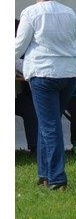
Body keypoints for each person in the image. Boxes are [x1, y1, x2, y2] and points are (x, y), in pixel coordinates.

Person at [15, 0, 76, 191]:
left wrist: (19, 65)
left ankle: (58, 178)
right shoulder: (69, 13)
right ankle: (44, 173)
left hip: (43, 75)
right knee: (47, 124)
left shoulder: (30, 13)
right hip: (68, 75)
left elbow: (18, 47)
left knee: (49, 126)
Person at [15, 19, 37, 154]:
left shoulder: (20, 51)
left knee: (32, 112)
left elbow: (23, 67)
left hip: (17, 96)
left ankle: (35, 148)